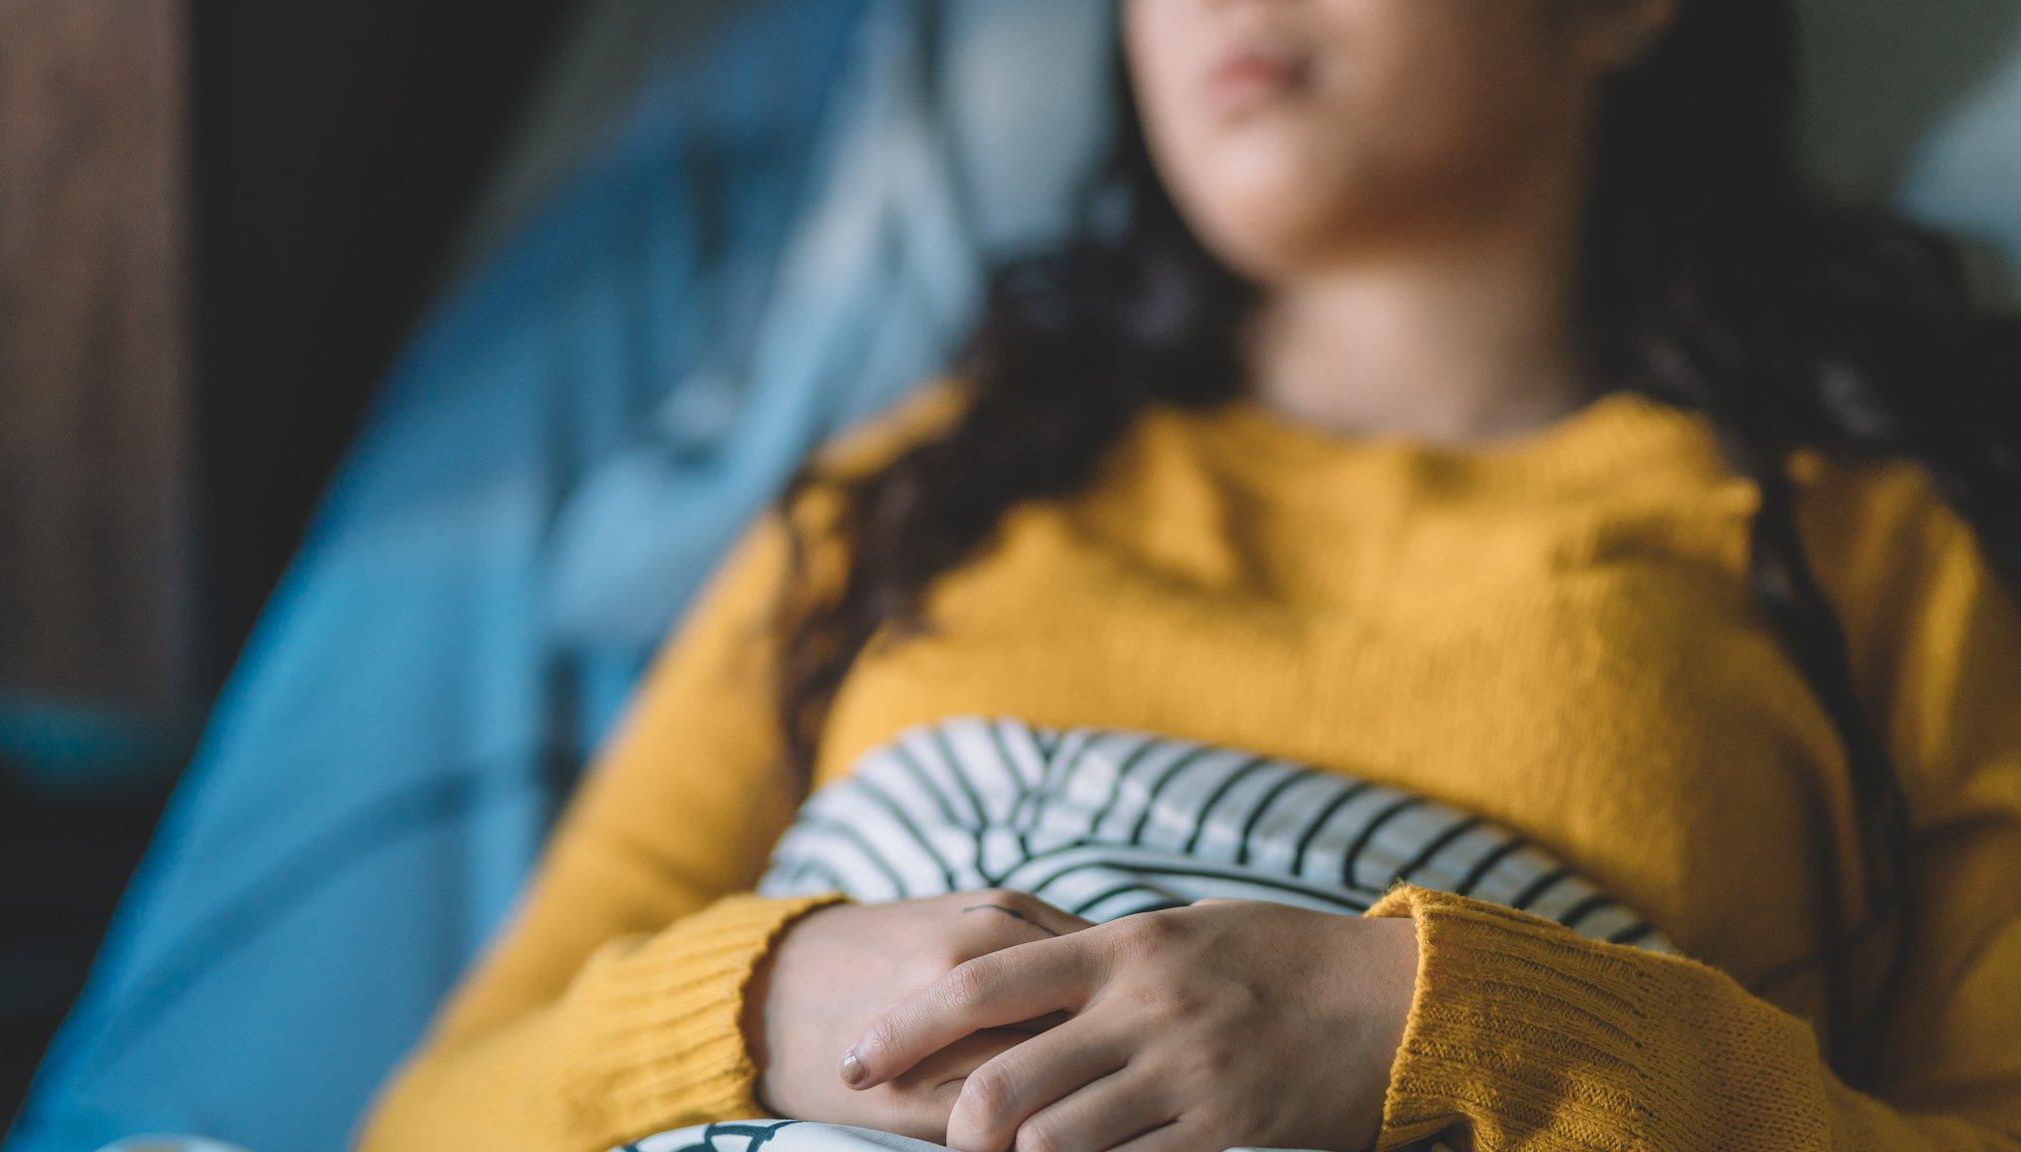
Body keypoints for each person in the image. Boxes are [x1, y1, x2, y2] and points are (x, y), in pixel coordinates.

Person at [355, 2, 2021, 1151]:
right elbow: (430, 1122)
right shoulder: (911, 497)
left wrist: (1439, 1027)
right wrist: (773, 1002)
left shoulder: (1875, 549)